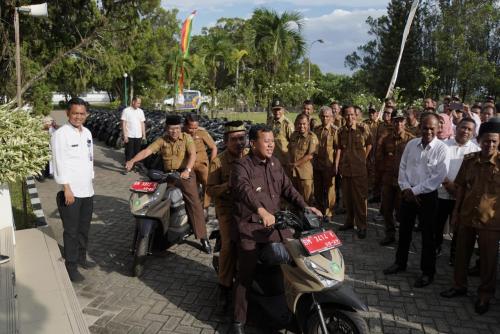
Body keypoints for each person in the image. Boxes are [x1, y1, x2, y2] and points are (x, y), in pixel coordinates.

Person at [230, 124, 322, 334]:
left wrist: (306, 207)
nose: (271, 145)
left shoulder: (275, 163)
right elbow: (245, 191)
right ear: (253, 144)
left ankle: (296, 308)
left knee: (299, 262)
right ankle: (238, 321)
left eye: (272, 141)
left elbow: (288, 188)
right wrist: (261, 211)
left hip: (277, 227)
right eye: (266, 141)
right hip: (251, 229)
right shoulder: (241, 167)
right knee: (246, 273)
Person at [125, 116, 211, 254]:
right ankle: (156, 229)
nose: (174, 131)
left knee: (194, 202)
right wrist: (133, 160)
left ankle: (203, 237)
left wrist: (188, 170)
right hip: (168, 175)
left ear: (180, 128)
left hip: (184, 175)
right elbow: (148, 150)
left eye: (177, 128)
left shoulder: (187, 138)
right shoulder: (162, 140)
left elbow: (193, 155)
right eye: (171, 128)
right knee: (154, 196)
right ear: (166, 129)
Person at [383, 112, 450, 288]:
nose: (428, 131)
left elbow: (436, 178)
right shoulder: (412, 144)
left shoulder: (442, 149)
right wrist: (407, 189)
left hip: (427, 197)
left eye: (432, 128)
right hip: (407, 194)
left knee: (428, 236)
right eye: (425, 127)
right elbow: (402, 167)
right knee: (404, 231)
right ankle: (400, 262)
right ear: (420, 127)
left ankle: (427, 272)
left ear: (438, 128)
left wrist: (413, 191)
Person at [439, 121, 500, 315]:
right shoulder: (469, 159)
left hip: (490, 221)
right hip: (466, 215)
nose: (489, 145)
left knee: (489, 261)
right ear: (479, 140)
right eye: (486, 141)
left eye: (494, 142)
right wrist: (455, 212)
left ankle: (484, 296)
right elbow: (462, 186)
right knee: (461, 255)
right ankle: (459, 286)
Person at [52, 97, 97, 283]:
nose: (79, 116)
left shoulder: (86, 132)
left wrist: (91, 178)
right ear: (67, 113)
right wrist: (66, 188)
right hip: (71, 191)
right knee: (71, 230)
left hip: (87, 190)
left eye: (82, 113)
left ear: (86, 114)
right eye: (75, 113)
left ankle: (81, 257)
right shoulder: (61, 134)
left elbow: (90, 157)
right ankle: (70, 266)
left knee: (83, 228)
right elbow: (58, 162)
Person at [206, 121, 249, 314]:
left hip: (249, 207)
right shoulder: (218, 162)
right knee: (229, 245)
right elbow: (209, 190)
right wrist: (228, 186)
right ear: (225, 141)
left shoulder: (251, 156)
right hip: (227, 208)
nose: (239, 143)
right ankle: (223, 288)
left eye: (242, 138)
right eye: (234, 140)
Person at [434, 118, 479, 264]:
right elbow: (435, 167)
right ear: (456, 128)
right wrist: (448, 183)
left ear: (473, 133)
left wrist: (458, 188)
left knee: (459, 227)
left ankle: (455, 253)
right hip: (441, 192)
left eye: (469, 129)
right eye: (463, 127)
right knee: (438, 223)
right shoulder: (443, 146)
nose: (465, 131)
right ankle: (436, 247)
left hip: (462, 196)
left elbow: (475, 177)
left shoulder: (476, 151)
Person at [335, 105, 373, 239]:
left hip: (359, 170)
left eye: (352, 114)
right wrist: (338, 163)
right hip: (346, 169)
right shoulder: (341, 131)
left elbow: (369, 144)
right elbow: (339, 148)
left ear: (356, 115)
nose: (349, 117)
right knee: (348, 198)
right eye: (347, 115)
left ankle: (362, 226)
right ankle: (349, 222)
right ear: (344, 116)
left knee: (360, 200)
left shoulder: (363, 128)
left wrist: (363, 159)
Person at [378, 109, 415, 246]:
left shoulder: (411, 140)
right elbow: (380, 156)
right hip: (388, 180)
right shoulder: (386, 139)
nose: (399, 124)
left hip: (404, 182)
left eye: (401, 121)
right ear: (392, 122)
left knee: (403, 211)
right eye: (396, 121)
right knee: (387, 209)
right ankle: (390, 234)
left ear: (405, 122)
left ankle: (405, 237)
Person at [183, 113, 217, 216]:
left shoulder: (202, 133)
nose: (193, 130)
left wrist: (212, 164)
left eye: (196, 128)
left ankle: (205, 205)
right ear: (185, 125)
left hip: (200, 163)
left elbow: (213, 148)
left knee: (207, 179)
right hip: (186, 163)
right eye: (191, 128)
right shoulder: (180, 133)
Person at [266, 98, 294, 209]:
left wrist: (290, 160)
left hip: (283, 160)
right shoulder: (269, 121)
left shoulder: (287, 124)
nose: (277, 112)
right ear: (272, 110)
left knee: (283, 184)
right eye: (275, 110)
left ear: (283, 110)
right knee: (271, 183)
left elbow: (292, 143)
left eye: (279, 109)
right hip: (271, 159)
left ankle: (283, 208)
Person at [288, 114, 318, 214]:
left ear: (308, 124)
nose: (301, 126)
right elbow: (289, 149)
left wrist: (295, 164)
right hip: (293, 173)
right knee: (293, 198)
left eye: (304, 124)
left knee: (306, 200)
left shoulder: (312, 137)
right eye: (299, 124)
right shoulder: (294, 134)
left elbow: (310, 155)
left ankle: (308, 222)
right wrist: (290, 162)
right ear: (296, 124)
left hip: (304, 174)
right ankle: (295, 220)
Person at [313, 106, 338, 221]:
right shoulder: (315, 130)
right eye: (322, 116)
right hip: (317, 164)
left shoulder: (334, 131)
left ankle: (329, 212)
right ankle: (320, 210)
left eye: (327, 116)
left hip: (329, 165)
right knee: (318, 189)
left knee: (329, 190)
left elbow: (338, 149)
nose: (324, 118)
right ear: (319, 117)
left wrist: (336, 165)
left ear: (331, 117)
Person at [121, 96, 145, 174]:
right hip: (129, 135)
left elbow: (142, 123)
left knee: (137, 152)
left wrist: (144, 134)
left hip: (138, 135)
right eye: (138, 103)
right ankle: (127, 168)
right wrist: (125, 135)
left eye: (140, 103)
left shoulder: (140, 111)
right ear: (133, 102)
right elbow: (124, 123)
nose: (139, 105)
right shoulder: (126, 111)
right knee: (129, 152)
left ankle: (136, 166)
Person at [363, 106, 382, 194]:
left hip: (377, 150)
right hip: (366, 149)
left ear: (377, 113)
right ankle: (366, 187)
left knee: (374, 171)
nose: (371, 114)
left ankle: (373, 190)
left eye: (373, 112)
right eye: (370, 112)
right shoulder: (364, 123)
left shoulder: (380, 124)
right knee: (365, 169)